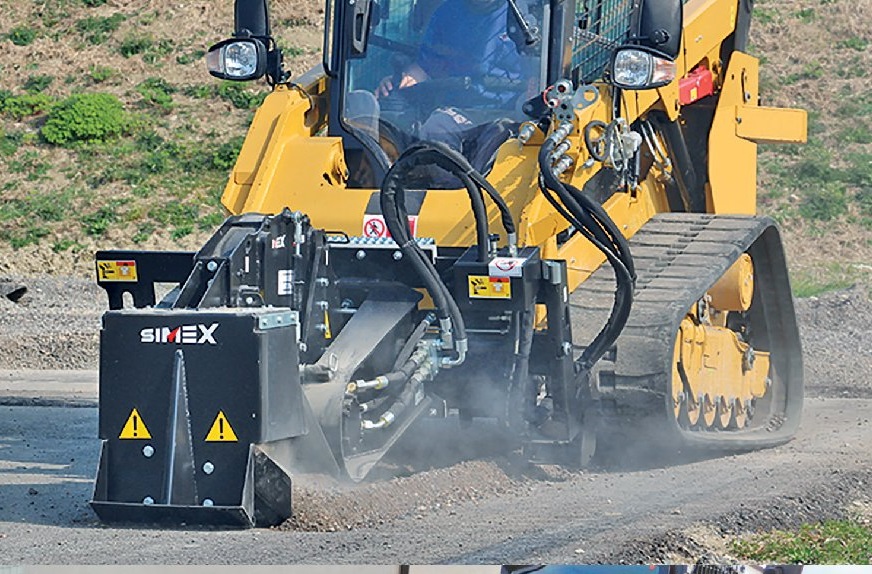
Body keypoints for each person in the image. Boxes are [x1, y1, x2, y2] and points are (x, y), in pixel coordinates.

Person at [375, 0, 534, 158]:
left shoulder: (525, 13)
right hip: (458, 110)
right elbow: (427, 65)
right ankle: (447, 183)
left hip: (509, 112)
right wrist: (399, 82)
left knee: (501, 146)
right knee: (435, 131)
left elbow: (539, 66)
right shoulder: (447, 13)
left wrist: (534, 87)